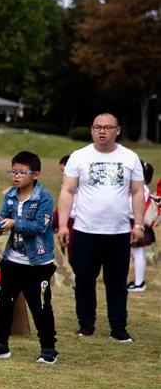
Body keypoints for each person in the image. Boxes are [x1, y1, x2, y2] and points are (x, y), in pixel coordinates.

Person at [57, 113, 145, 342]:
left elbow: (137, 193)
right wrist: (63, 225)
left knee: (117, 283)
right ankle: (86, 324)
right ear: (91, 130)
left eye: (107, 127)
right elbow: (67, 191)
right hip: (86, 230)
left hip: (118, 232)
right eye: (97, 127)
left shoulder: (130, 158)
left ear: (118, 130)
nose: (102, 131)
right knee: (84, 280)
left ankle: (118, 328)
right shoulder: (79, 157)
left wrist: (138, 225)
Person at [0, 151, 58, 364]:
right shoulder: (11, 195)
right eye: (13, 171)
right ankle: (0, 345)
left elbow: (40, 226)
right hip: (12, 260)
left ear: (35, 175)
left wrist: (14, 224)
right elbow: (4, 214)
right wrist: (0, 223)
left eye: (22, 172)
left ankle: (48, 349)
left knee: (41, 306)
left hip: (38, 263)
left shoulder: (44, 197)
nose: (16, 176)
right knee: (4, 302)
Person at [128, 162, 155, 292]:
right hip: (131, 220)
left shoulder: (142, 189)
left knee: (138, 252)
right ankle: (138, 281)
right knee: (135, 252)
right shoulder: (138, 187)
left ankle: (139, 282)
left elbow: (132, 206)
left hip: (135, 221)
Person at [51, 155, 76, 265]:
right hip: (62, 212)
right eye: (61, 171)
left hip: (73, 216)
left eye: (64, 170)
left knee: (72, 246)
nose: (63, 174)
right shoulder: (66, 181)